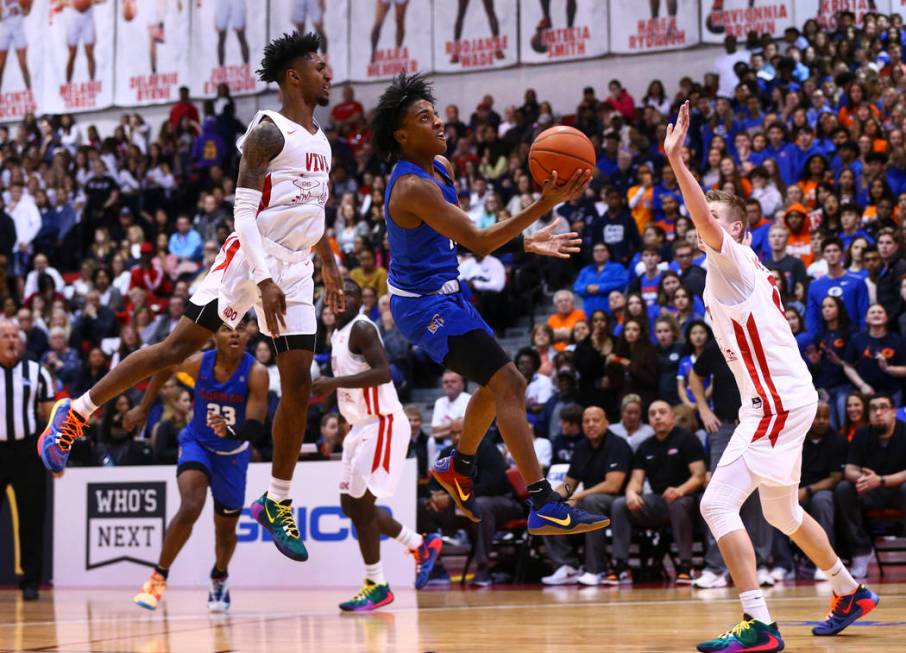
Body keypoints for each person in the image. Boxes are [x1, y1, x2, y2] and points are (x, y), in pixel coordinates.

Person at [39, 32, 344, 566]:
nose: (328, 72)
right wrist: (265, 277)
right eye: (319, 66)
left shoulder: (322, 139)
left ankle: (278, 500)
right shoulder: (267, 132)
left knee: (298, 382)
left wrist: (329, 263)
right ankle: (77, 410)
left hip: (296, 269)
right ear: (294, 76)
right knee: (173, 350)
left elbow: (313, 210)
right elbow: (243, 213)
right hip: (251, 263)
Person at [665, 101, 877, 652]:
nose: (698, 224)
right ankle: (847, 589)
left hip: (776, 402)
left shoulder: (732, 258)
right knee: (782, 511)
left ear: (734, 227)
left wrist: (677, 161)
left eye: (710, 216)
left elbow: (706, 219)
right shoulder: (742, 268)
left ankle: (758, 623)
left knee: (716, 504)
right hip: (781, 399)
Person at [371, 72, 607, 537]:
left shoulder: (441, 168)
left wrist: (525, 244)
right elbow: (478, 240)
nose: (438, 123)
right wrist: (545, 203)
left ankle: (458, 465)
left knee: (495, 384)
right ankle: (543, 503)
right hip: (422, 306)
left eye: (436, 114)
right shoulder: (410, 187)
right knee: (511, 383)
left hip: (449, 290)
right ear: (401, 135)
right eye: (425, 117)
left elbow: (465, 237)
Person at [310, 280, 442, 610]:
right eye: (334, 296)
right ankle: (419, 545)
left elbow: (384, 373)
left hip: (382, 423)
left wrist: (333, 383)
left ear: (360, 301)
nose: (340, 300)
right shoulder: (337, 333)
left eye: (348, 295)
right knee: (350, 507)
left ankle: (377, 583)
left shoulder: (363, 329)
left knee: (363, 507)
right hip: (358, 428)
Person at [607, 401, 706, 585]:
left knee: (679, 504)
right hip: (659, 501)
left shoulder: (687, 439)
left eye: (662, 412)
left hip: (688, 500)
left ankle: (686, 565)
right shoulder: (645, 447)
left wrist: (680, 490)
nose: (657, 416)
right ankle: (620, 564)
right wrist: (631, 493)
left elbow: (699, 475)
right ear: (649, 420)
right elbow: (636, 480)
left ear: (672, 417)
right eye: (653, 414)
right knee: (620, 504)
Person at [541, 406, 631, 586]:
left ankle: (596, 569)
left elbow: (613, 485)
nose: (591, 425)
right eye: (587, 421)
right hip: (589, 500)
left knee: (591, 502)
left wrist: (578, 497)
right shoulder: (582, 447)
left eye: (595, 420)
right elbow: (568, 484)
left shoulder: (617, 445)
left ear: (606, 423)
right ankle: (567, 567)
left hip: (616, 502)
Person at [0, 320, 54, 601]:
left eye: (15, 336)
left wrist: (53, 454)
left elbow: (49, 416)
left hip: (26, 451)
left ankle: (31, 581)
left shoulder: (37, 372)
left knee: (32, 516)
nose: (12, 341)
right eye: (6, 336)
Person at [772, 402, 847, 581]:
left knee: (822, 501)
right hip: (793, 490)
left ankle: (824, 564)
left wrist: (808, 490)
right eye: (817, 417)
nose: (821, 421)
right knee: (773, 505)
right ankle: (783, 565)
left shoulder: (837, 440)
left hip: (819, 491)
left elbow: (836, 477)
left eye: (825, 417)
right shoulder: (794, 439)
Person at [834, 393, 906, 578]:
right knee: (844, 489)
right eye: (874, 408)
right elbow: (849, 469)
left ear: (893, 411)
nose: (878, 412)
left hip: (898, 491)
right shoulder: (862, 433)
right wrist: (865, 479)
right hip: (870, 491)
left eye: (883, 408)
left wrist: (880, 480)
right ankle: (861, 551)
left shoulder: (904, 431)